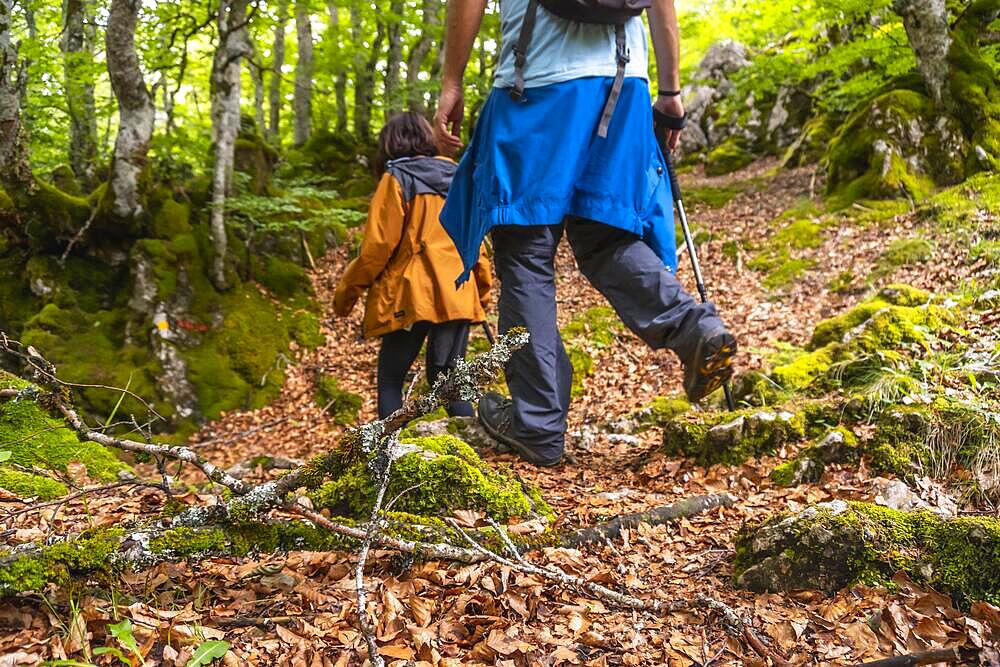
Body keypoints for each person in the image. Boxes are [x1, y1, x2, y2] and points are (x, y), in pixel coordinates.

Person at [434, 0, 737, 466]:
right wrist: (671, 91)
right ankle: (694, 330)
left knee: (525, 249)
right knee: (608, 236)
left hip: (533, 83)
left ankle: (537, 424)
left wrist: (451, 80)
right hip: (626, 81)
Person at [334, 111, 493, 419]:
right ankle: (472, 457)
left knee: (391, 380)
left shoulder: (396, 178)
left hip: (410, 295)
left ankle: (388, 455)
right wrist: (481, 296)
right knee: (450, 385)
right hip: (457, 293)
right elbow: (478, 248)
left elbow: (376, 249)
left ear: (389, 145)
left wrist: (346, 296)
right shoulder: (461, 177)